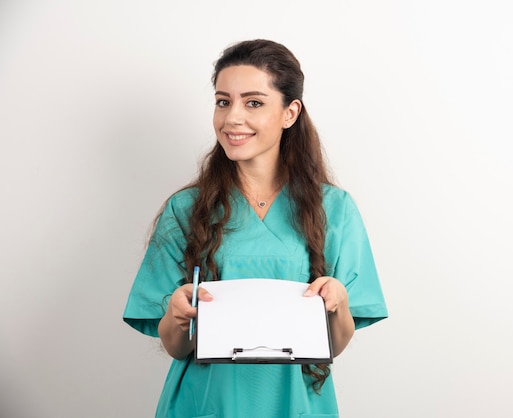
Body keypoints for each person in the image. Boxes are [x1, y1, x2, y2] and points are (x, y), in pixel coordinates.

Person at [123, 39, 388, 418]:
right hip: (205, 405)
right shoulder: (185, 210)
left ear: (289, 112)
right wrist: (178, 314)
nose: (232, 118)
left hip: (297, 404)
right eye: (222, 101)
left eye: (253, 102)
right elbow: (175, 346)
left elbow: (335, 344)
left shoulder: (335, 209)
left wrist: (338, 301)